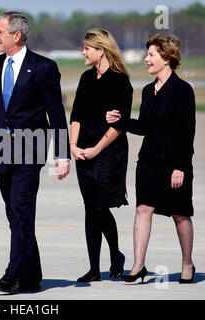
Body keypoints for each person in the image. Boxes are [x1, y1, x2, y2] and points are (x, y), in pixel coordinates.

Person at [0, 11, 70, 294]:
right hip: (0, 151)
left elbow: (56, 113)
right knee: (15, 215)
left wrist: (62, 155)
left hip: (30, 151)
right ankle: (32, 276)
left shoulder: (43, 67)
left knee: (21, 211)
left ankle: (12, 274)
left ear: (16, 35)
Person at [106, 34, 196, 284]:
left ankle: (187, 263)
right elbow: (144, 126)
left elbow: (187, 132)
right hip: (148, 162)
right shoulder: (147, 90)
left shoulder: (182, 91)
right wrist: (121, 121)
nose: (146, 59)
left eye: (151, 55)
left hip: (174, 163)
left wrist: (180, 167)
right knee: (143, 209)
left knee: (180, 214)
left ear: (166, 58)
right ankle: (138, 266)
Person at [69, 29, 133, 282]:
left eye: (86, 48)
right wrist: (73, 146)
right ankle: (94, 268)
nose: (82, 52)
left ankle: (116, 255)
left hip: (109, 152)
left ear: (100, 50)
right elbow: (76, 115)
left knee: (99, 205)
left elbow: (119, 124)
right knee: (90, 208)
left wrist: (96, 149)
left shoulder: (120, 81)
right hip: (83, 149)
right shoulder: (86, 78)